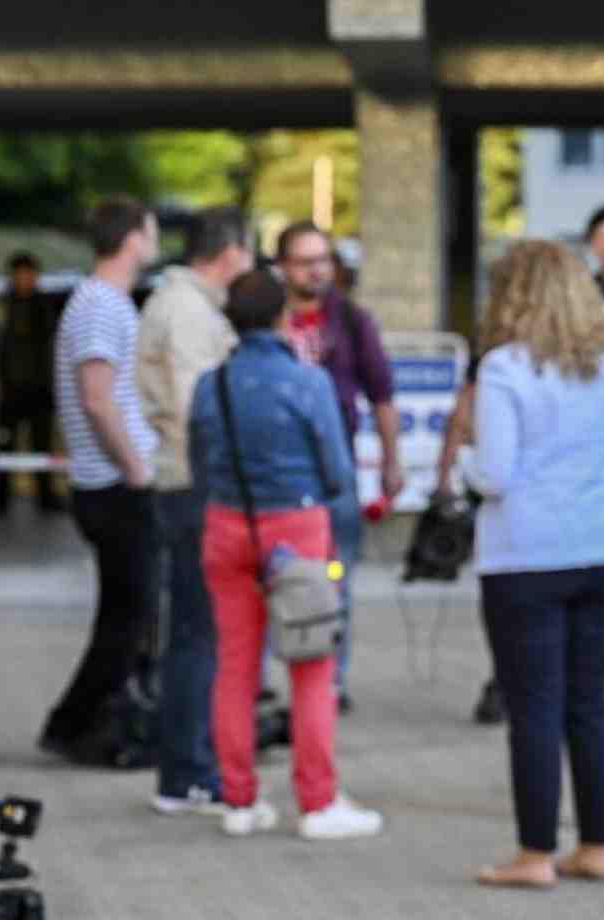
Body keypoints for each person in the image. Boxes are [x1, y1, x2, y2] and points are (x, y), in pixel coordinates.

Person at [190, 269, 383, 840]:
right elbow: (337, 472)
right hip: (296, 527)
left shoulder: (210, 385)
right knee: (311, 663)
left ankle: (239, 800)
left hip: (226, 526)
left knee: (235, 666)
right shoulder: (309, 383)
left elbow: (201, 461)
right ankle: (318, 802)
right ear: (283, 317)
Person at [465, 241, 604, 889]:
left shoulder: (503, 368)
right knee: (588, 702)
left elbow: (496, 475)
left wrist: (459, 468)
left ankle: (535, 853)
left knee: (533, 705)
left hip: (525, 554)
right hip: (599, 547)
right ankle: (597, 844)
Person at [136, 206, 253, 816]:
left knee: (197, 633)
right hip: (195, 486)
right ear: (230, 251)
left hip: (188, 483)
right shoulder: (184, 311)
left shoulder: (186, 306)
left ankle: (190, 767)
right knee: (198, 637)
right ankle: (188, 772)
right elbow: (194, 406)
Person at [40, 197, 163, 766]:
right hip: (113, 486)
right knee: (128, 615)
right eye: (152, 230)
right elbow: (96, 397)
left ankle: (82, 721)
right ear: (133, 238)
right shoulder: (99, 305)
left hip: (113, 482)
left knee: (126, 614)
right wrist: (136, 467)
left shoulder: (104, 302)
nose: (156, 240)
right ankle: (76, 725)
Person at [276, 220, 402, 714]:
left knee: (336, 577)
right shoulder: (266, 321)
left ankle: (331, 681)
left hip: (335, 472)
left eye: (323, 260)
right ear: (283, 267)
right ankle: (277, 681)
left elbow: (383, 394)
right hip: (278, 476)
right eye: (305, 262)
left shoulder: (351, 321)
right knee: (277, 579)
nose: (316, 272)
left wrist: (392, 461)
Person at [0, 252, 63, 515]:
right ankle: (1, 498)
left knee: (42, 444)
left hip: (39, 387)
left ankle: (46, 496)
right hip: (10, 387)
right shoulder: (3, 306)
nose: (24, 279)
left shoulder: (43, 306)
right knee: (4, 444)